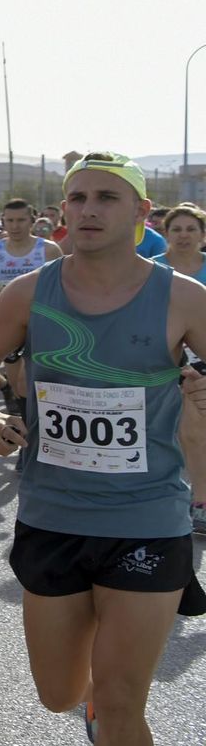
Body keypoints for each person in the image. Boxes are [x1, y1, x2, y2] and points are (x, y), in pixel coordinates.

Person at [0, 152, 206, 746]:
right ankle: (91, 704)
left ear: (141, 213)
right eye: (78, 198)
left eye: (107, 197)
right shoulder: (29, 291)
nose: (89, 210)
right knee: (57, 693)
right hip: (53, 514)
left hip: (148, 516)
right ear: (62, 210)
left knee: (127, 699)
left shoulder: (182, 297)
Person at [0, 198, 63, 422]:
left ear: (32, 221)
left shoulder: (49, 250)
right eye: (10, 220)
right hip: (11, 325)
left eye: (21, 220)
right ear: (3, 221)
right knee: (19, 386)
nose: (15, 226)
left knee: (38, 384)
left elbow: (65, 289)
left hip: (43, 324)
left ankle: (44, 429)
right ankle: (29, 434)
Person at [155, 204, 206, 534]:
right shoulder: (149, 270)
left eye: (191, 229)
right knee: (167, 431)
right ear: (166, 234)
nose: (184, 235)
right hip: (159, 357)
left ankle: (199, 503)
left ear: (203, 235)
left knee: (193, 428)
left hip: (201, 356)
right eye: (177, 229)